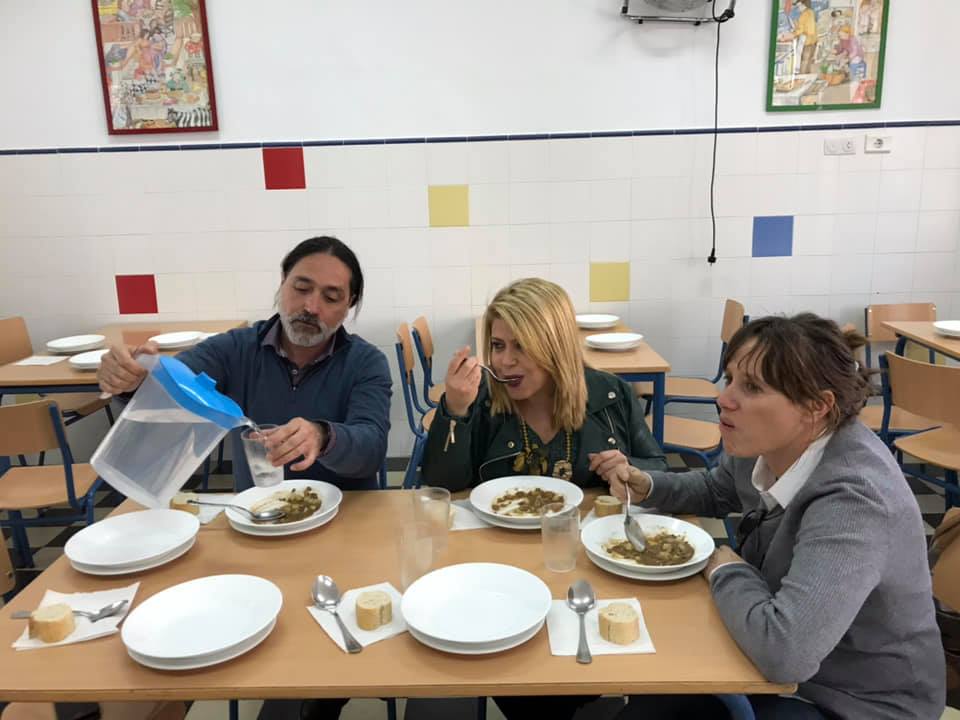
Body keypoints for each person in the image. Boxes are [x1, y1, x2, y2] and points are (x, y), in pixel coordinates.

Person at [607, 314, 944, 720]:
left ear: (818, 406)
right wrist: (650, 487)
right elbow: (719, 490)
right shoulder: (768, 444)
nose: (724, 398)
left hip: (855, 702)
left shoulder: (856, 502)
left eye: (751, 387)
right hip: (778, 662)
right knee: (650, 697)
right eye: (730, 378)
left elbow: (787, 654)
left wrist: (725, 570)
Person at [421, 277, 666, 720]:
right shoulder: (482, 402)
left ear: (554, 346)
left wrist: (633, 473)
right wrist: (453, 410)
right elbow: (442, 484)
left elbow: (660, 471)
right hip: (499, 575)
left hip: (590, 571)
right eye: (497, 345)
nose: (505, 361)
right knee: (523, 677)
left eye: (522, 347)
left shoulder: (611, 397)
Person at [97, 236, 391, 494]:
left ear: (348, 304)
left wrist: (323, 436)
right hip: (258, 513)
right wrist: (135, 381)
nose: (311, 307)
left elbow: (372, 448)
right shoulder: (235, 349)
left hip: (346, 517)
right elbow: (178, 388)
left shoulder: (365, 363)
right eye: (301, 288)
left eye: (330, 297)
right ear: (283, 282)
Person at [780, 0, 819, 74]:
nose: (798, 8)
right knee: (807, 62)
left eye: (799, 5)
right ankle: (805, 78)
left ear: (805, 5)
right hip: (812, 40)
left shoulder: (806, 13)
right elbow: (806, 27)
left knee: (804, 62)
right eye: (798, 6)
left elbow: (804, 29)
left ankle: (802, 78)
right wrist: (797, 26)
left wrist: (792, 34)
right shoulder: (810, 12)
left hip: (807, 41)